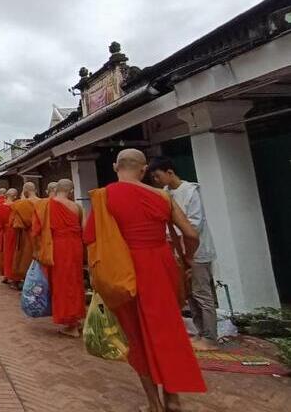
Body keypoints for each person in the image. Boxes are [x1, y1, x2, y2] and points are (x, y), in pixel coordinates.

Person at [84, 149, 205, 412]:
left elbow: (91, 239)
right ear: (144, 169)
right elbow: (191, 234)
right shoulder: (162, 196)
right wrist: (188, 259)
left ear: (115, 167)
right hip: (161, 266)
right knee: (168, 329)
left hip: (124, 270)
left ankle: (154, 404)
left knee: (136, 336)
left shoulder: (104, 197)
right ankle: (173, 398)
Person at [149, 156, 218, 350]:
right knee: (190, 293)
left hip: (196, 250)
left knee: (202, 293)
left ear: (170, 172)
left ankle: (210, 337)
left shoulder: (190, 191)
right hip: (177, 251)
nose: (156, 180)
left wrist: (181, 240)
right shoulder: (165, 194)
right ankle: (200, 331)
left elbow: (195, 224)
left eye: (158, 176)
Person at [44, 179, 86, 337]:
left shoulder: (47, 205)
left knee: (62, 283)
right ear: (71, 191)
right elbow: (85, 229)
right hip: (75, 246)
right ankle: (77, 318)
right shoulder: (78, 207)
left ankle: (71, 324)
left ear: (56, 189)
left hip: (58, 246)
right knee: (75, 281)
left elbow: (38, 228)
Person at [9, 182, 38, 285]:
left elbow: (16, 224)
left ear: (24, 191)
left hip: (27, 235)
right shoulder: (44, 202)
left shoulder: (20, 204)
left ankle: (27, 281)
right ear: (35, 190)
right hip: (41, 235)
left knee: (26, 258)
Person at [0, 188, 20, 287]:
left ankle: (6, 275)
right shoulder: (15, 206)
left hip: (4, 231)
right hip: (13, 231)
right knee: (13, 253)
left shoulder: (1, 206)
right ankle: (13, 277)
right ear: (15, 196)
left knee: (5, 252)